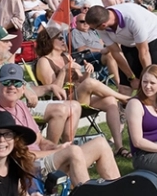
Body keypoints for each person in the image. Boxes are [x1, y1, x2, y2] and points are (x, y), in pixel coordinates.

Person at [0, 65, 118, 185]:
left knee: (100, 143)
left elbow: (39, 140)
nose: (11, 87)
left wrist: (56, 147)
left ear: (23, 89)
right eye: (6, 82)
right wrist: (57, 152)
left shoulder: (20, 105)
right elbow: (18, 155)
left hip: (42, 160)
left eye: (16, 83)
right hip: (25, 168)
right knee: (73, 151)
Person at [35, 27, 130, 157]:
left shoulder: (66, 57)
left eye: (64, 37)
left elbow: (81, 81)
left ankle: (119, 147)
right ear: (49, 41)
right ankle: (124, 98)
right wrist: (63, 71)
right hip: (63, 102)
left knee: (110, 101)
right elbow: (52, 89)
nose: (64, 40)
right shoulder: (43, 62)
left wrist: (87, 72)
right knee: (90, 84)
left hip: (78, 97)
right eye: (60, 38)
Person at [85, 3, 157, 93]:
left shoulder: (132, 19)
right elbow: (116, 52)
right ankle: (125, 106)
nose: (91, 29)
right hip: (128, 42)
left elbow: (144, 52)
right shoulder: (100, 25)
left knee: (156, 80)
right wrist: (131, 78)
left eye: (93, 28)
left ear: (103, 25)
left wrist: (147, 79)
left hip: (152, 37)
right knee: (124, 86)